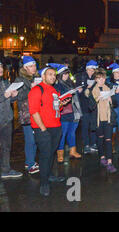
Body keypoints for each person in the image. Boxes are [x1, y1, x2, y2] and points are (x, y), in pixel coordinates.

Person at [29, 67, 70, 196]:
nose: (53, 77)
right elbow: (34, 111)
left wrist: (62, 103)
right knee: (45, 155)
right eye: (50, 74)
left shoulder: (54, 90)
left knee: (51, 153)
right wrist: (42, 129)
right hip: (43, 128)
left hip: (56, 127)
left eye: (54, 75)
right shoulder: (36, 90)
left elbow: (55, 108)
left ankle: (49, 174)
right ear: (43, 76)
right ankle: (44, 182)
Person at [85, 69, 117, 173]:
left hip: (108, 118)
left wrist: (111, 100)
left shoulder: (109, 88)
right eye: (99, 78)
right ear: (96, 79)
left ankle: (110, 162)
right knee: (100, 138)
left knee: (108, 140)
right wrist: (97, 99)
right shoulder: (92, 90)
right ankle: (102, 156)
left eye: (103, 78)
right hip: (97, 119)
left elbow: (115, 104)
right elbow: (90, 107)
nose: (101, 80)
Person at [52, 64, 82, 163]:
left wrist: (77, 91)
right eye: (64, 74)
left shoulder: (71, 83)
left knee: (72, 133)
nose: (66, 76)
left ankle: (72, 151)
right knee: (62, 134)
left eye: (67, 74)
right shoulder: (56, 86)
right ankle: (60, 154)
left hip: (74, 111)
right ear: (59, 75)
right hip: (64, 112)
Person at [15, 56, 40, 175]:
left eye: (34, 65)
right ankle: (30, 164)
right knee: (30, 139)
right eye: (31, 66)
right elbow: (18, 97)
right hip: (26, 113)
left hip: (37, 112)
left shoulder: (36, 77)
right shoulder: (20, 79)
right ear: (25, 67)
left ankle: (29, 161)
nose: (34, 68)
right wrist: (31, 89)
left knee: (34, 139)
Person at [0, 62, 22, 179]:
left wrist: (14, 95)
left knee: (6, 146)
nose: (0, 69)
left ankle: (5, 169)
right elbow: (4, 97)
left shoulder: (5, 82)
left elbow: (11, 101)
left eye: (1, 67)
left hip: (7, 119)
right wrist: (5, 95)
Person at [76, 60, 98, 154]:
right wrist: (82, 89)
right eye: (89, 70)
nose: (91, 72)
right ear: (86, 69)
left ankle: (93, 143)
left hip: (93, 104)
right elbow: (76, 89)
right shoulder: (80, 76)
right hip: (84, 104)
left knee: (93, 125)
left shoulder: (96, 77)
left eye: (93, 70)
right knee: (85, 126)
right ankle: (86, 145)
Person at [106, 63, 119, 154]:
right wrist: (114, 91)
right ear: (113, 73)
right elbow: (104, 93)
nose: (118, 74)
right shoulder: (108, 82)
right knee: (113, 127)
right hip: (112, 107)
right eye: (116, 73)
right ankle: (112, 146)